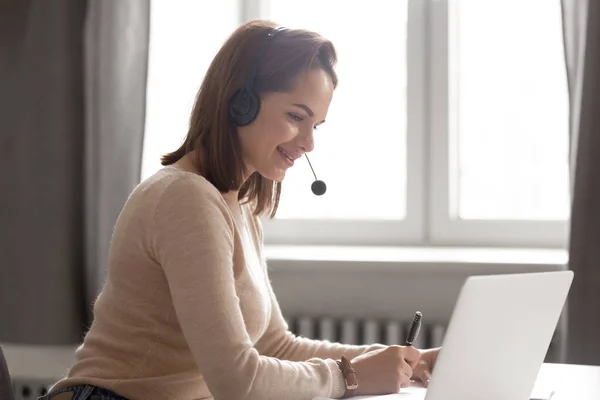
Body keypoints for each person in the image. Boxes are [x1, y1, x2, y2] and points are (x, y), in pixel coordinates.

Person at [42, 20, 440, 400]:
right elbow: (239, 382)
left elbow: (274, 344)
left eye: (315, 125)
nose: (308, 143)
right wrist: (348, 377)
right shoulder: (184, 198)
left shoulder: (239, 205)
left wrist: (402, 362)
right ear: (240, 102)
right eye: (296, 116)